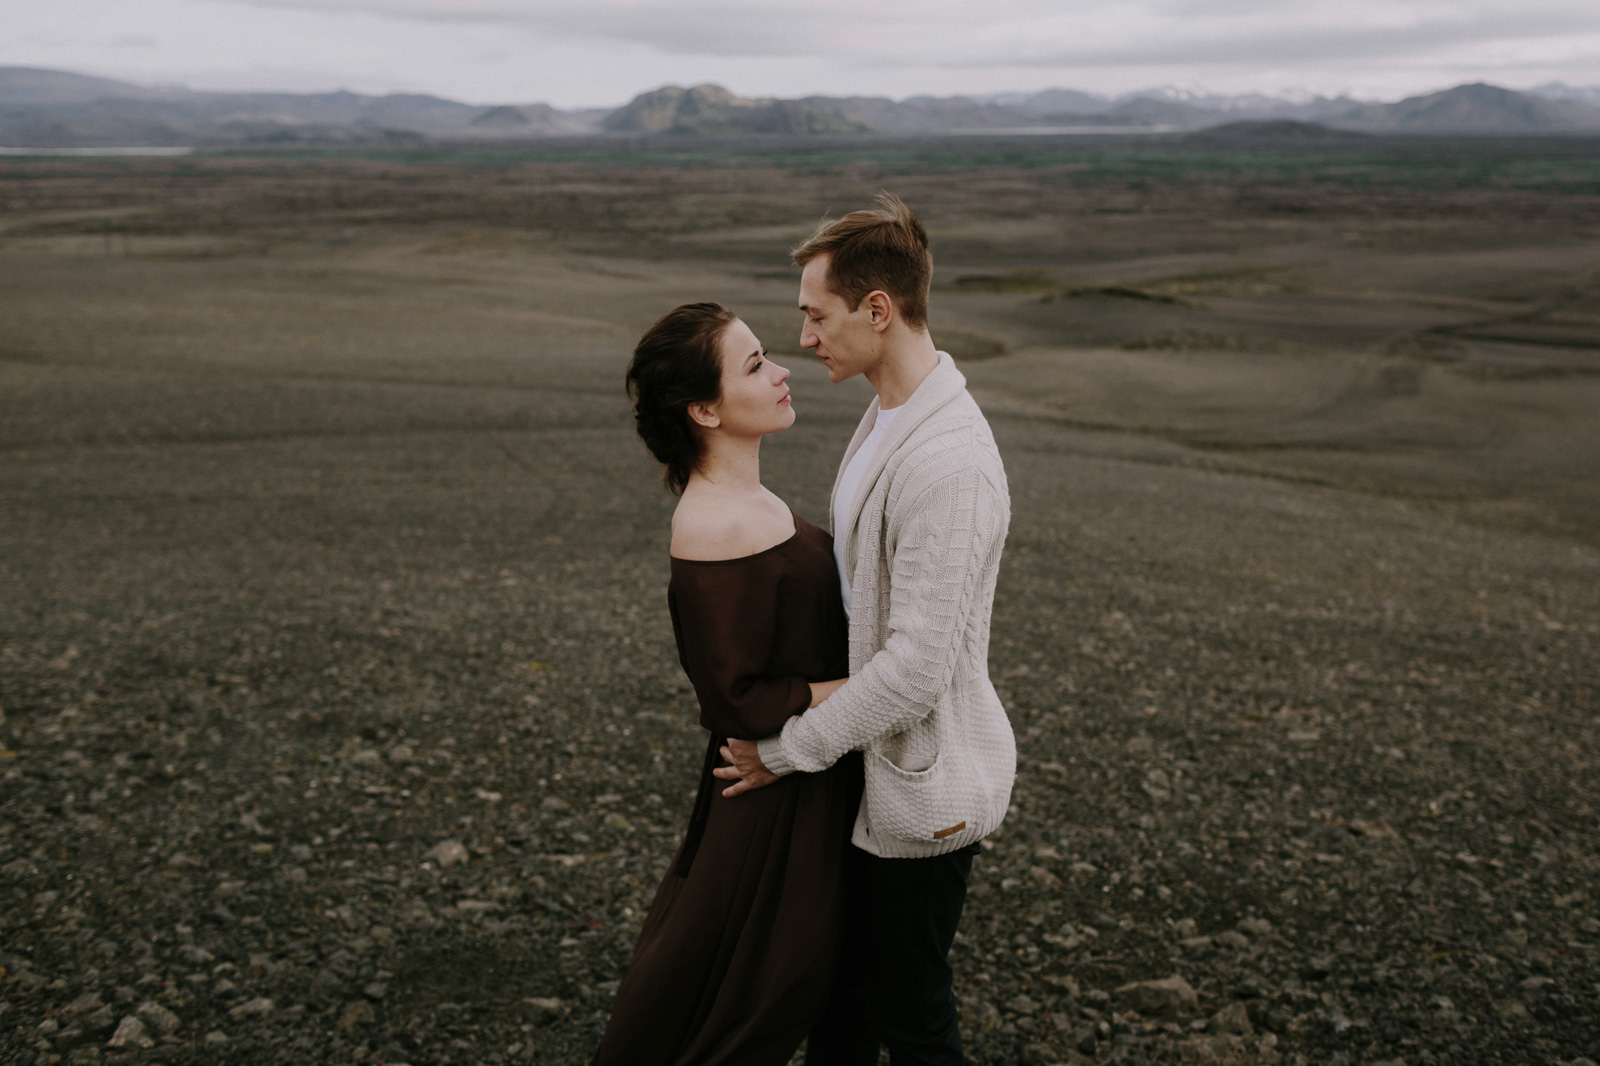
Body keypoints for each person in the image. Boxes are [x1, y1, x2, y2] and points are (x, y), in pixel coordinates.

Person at [713, 195, 1016, 1066]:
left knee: (911, 1012)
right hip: (870, 770)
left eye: (816, 315)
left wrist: (786, 748)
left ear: (877, 310)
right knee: (839, 999)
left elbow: (919, 668)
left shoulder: (949, 463)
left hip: (926, 794)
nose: (804, 337)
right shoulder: (888, 413)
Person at [592, 302, 863, 1066]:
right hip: (769, 795)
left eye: (768, 355)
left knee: (775, 989)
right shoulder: (711, 524)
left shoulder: (749, 501)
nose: (781, 372)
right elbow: (734, 699)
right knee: (749, 1004)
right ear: (704, 409)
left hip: (801, 776)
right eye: (754, 366)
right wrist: (863, 685)